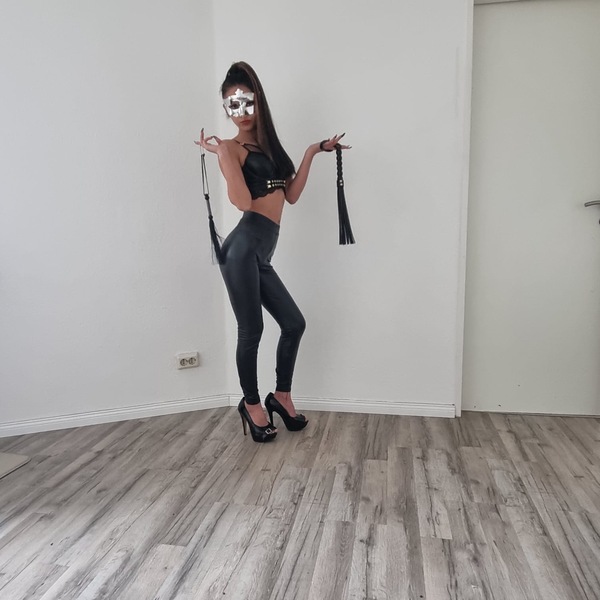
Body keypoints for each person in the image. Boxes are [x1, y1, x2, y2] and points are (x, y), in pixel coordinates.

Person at [195, 61, 350, 443]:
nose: (241, 111)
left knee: (294, 324)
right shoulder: (232, 148)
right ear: (226, 109)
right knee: (252, 330)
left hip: (261, 252)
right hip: (242, 249)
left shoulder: (270, 147)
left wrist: (313, 151)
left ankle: (281, 396)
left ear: (258, 101)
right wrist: (224, 158)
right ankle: (251, 404)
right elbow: (244, 202)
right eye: (232, 105)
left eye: (247, 101)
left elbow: (291, 195)